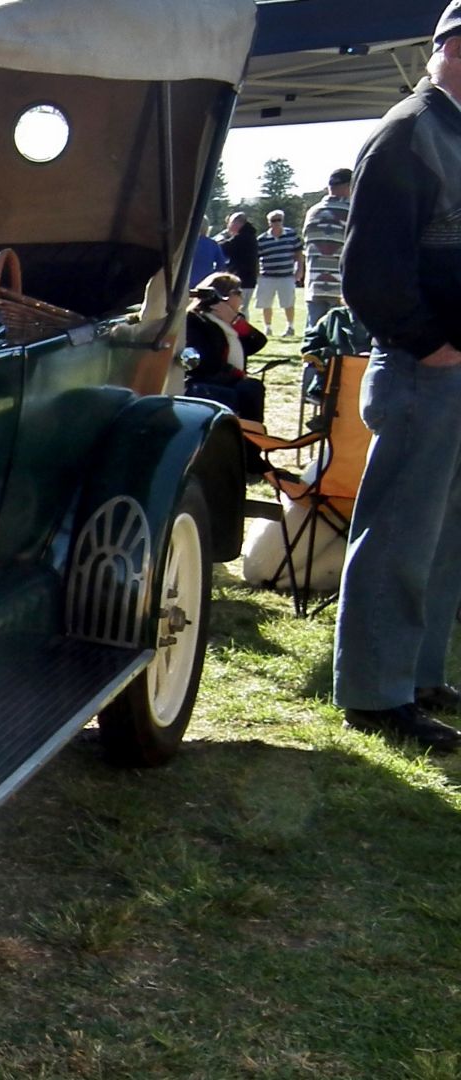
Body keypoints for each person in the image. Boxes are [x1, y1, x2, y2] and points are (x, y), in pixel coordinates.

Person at [331, 0, 461, 753]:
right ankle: (377, 695)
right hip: (424, 366)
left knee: (442, 534)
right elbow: (369, 273)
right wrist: (428, 341)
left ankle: (417, 677)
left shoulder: (451, 135)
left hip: (448, 364)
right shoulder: (410, 133)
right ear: (449, 47)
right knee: (400, 532)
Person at [180, 272, 267, 424]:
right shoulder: (196, 320)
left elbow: (258, 342)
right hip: (207, 381)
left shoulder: (235, 321)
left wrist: (234, 320)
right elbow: (205, 360)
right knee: (247, 390)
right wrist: (235, 374)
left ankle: (252, 439)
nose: (241, 298)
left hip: (231, 380)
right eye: (238, 292)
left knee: (252, 388)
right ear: (223, 296)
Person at [299, 167, 354, 334]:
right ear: (349, 185)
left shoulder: (313, 211)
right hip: (341, 284)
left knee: (314, 334)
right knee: (342, 337)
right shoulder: (352, 211)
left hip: (315, 283)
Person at [255, 209, 302, 337]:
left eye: (279, 220)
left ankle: (290, 327)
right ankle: (268, 328)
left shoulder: (292, 235)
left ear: (282, 221)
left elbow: (298, 254)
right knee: (266, 303)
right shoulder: (262, 239)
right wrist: (257, 274)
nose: (276, 223)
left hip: (286, 275)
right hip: (267, 276)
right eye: (273, 220)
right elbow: (256, 258)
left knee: (288, 303)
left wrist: (299, 270)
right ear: (269, 223)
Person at [217, 211, 259, 292]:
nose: (228, 226)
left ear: (237, 223)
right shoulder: (249, 235)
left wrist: (218, 242)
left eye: (230, 223)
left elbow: (225, 248)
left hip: (242, 281)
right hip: (247, 280)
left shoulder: (243, 237)